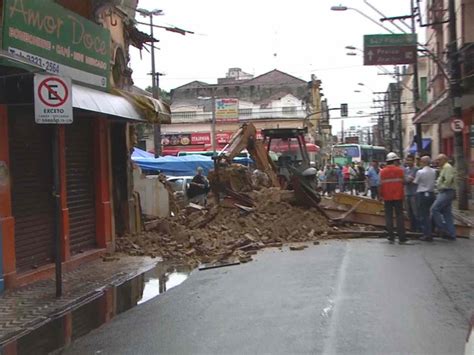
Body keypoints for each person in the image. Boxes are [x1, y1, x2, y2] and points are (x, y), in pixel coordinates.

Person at [379, 152, 407, 244]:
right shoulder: (400, 170)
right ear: (394, 161)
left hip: (387, 197)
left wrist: (380, 195)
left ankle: (391, 236)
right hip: (398, 196)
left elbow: (380, 185)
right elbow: (404, 182)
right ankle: (402, 236)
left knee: (389, 217)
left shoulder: (382, 171)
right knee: (399, 216)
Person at [431, 154, 457, 240]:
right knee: (447, 213)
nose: (437, 162)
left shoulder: (447, 167)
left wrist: (441, 187)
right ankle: (451, 233)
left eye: (439, 160)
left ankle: (442, 229)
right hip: (446, 191)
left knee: (434, 209)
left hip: (446, 191)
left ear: (444, 159)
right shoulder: (444, 168)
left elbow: (448, 180)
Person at [414, 155, 436, 242]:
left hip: (422, 193)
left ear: (423, 162)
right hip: (431, 193)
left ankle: (426, 234)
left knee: (423, 214)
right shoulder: (434, 171)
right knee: (430, 213)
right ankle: (431, 230)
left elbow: (416, 182)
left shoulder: (420, 172)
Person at [404, 154, 420, 232]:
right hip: (407, 193)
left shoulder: (416, 170)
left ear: (413, 161)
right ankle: (412, 228)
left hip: (414, 193)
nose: (408, 162)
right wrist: (408, 179)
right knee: (408, 212)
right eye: (407, 160)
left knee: (415, 212)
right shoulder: (405, 170)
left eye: (410, 160)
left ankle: (418, 228)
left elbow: (409, 181)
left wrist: (408, 179)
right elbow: (404, 180)